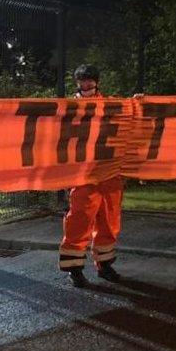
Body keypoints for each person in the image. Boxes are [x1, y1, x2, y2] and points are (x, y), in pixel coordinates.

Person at [59, 64, 126, 288]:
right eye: (82, 81)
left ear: (96, 81)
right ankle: (74, 268)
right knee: (79, 219)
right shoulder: (69, 107)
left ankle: (105, 265)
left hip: (108, 170)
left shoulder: (110, 104)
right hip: (83, 172)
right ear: (77, 83)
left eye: (89, 80)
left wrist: (139, 102)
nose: (85, 85)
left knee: (109, 219)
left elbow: (129, 114)